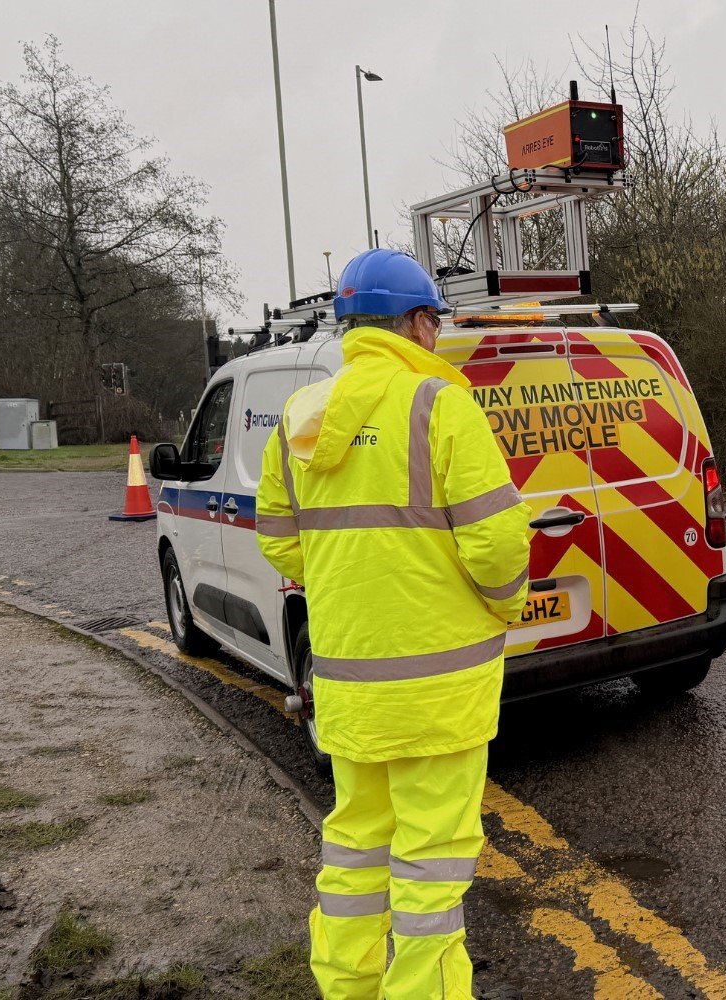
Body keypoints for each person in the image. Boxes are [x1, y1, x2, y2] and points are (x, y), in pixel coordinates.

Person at [256, 248, 532, 1000]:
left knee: (354, 845)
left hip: (348, 682)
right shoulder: (440, 405)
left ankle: (347, 987)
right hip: (441, 688)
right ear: (415, 323)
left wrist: (351, 585)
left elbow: (279, 539)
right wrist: (505, 604)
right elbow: (499, 542)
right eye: (433, 321)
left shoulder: (300, 417)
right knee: (431, 864)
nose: (437, 335)